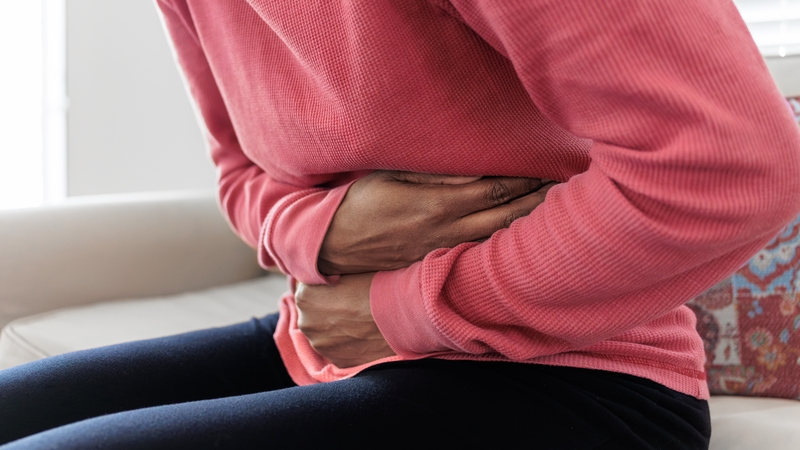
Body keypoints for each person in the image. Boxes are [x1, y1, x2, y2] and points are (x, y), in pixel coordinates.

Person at [1, 0, 799, 448]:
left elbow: (731, 163)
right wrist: (327, 232)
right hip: (328, 343)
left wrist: (399, 308)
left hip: (580, 384)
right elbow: (238, 172)